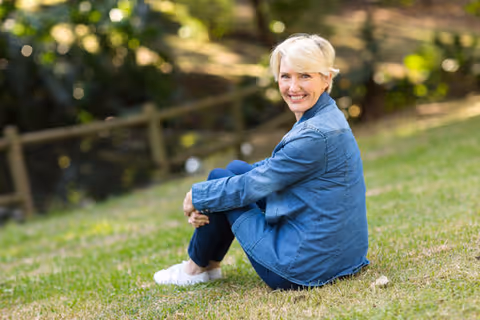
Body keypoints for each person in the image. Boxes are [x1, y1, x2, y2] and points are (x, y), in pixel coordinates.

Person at [153, 33, 369, 290]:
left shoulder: (315, 134)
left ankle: (196, 267)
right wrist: (208, 197)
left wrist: (196, 198)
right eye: (286, 76)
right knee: (233, 171)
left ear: (326, 79)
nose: (293, 87)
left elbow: (249, 186)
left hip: (303, 268)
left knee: (223, 182)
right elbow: (273, 169)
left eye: (305, 76)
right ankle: (206, 266)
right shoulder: (328, 115)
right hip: (341, 256)